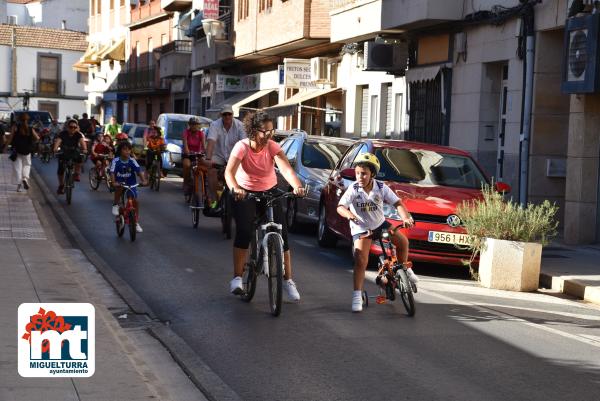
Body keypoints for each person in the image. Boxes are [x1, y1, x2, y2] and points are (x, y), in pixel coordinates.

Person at [224, 111, 305, 301]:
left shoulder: (272, 147)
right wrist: (235, 188)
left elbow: (285, 169)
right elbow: (229, 173)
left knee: (283, 234)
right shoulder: (241, 147)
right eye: (264, 132)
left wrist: (297, 186)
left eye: (271, 131)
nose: (269, 135)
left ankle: (288, 280)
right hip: (246, 192)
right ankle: (237, 278)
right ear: (253, 131)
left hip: (269, 190)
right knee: (244, 231)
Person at [336, 153, 418, 313]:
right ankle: (357, 295)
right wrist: (350, 215)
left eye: (364, 173)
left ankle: (405, 271)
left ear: (372, 174)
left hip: (380, 225)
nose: (360, 176)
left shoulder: (380, 187)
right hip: (361, 228)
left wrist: (406, 218)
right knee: (361, 260)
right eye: (358, 173)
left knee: (403, 242)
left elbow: (398, 203)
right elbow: (340, 207)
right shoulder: (353, 189)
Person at [206, 105, 246, 209]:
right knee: (211, 172)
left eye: (229, 114)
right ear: (221, 115)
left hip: (234, 157)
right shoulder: (214, 125)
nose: (227, 116)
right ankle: (214, 199)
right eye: (225, 114)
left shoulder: (240, 126)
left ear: (233, 115)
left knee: (244, 175)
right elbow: (211, 142)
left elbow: (245, 144)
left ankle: (240, 202)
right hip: (218, 156)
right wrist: (208, 159)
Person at [110, 142, 147, 233]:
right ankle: (115, 204)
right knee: (119, 188)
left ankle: (136, 222)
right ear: (120, 151)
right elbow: (112, 173)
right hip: (120, 182)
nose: (127, 151)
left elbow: (139, 172)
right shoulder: (116, 161)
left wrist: (144, 180)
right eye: (124, 149)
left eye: (129, 149)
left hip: (131, 183)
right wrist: (114, 182)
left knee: (135, 201)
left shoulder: (132, 161)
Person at [4, 113, 39, 191]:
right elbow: (37, 138)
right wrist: (33, 142)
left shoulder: (15, 127)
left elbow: (10, 138)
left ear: (19, 119)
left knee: (17, 168)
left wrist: (5, 148)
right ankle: (25, 179)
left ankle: (19, 186)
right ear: (28, 119)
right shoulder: (30, 128)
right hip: (27, 150)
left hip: (17, 150)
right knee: (26, 165)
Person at [53, 119, 87, 194]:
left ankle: (77, 173)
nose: (73, 129)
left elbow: (82, 143)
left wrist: (84, 149)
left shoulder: (78, 134)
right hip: (64, 152)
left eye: (75, 127)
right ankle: (61, 185)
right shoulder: (62, 134)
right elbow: (58, 142)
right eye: (71, 127)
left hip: (74, 152)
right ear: (67, 127)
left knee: (80, 157)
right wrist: (55, 149)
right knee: (60, 169)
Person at [182, 117, 207, 197]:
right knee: (187, 165)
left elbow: (203, 145)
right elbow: (185, 143)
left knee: (204, 165)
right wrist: (187, 150)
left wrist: (205, 151)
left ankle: (204, 184)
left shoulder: (201, 133)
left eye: (196, 124)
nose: (194, 126)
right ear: (189, 125)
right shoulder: (186, 132)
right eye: (192, 124)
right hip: (188, 154)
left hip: (197, 154)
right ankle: (186, 183)